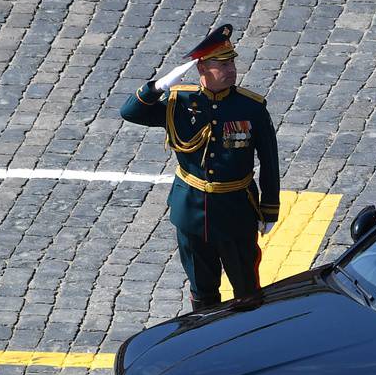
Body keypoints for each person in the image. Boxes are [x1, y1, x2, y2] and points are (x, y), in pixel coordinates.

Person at [120, 24, 281, 312]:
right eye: (221, 64)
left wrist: (269, 209)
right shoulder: (179, 103)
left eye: (231, 62)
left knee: (246, 289)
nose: (230, 69)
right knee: (202, 291)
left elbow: (269, 161)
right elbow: (130, 112)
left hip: (235, 210)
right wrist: (157, 87)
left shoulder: (250, 107)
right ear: (201, 68)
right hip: (191, 210)